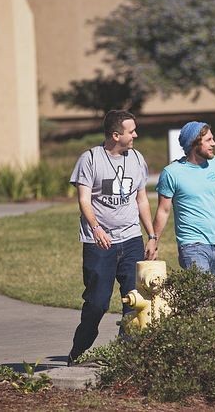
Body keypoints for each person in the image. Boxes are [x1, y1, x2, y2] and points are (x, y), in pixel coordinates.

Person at [67, 110, 156, 365]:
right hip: (99, 243)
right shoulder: (90, 159)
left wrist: (151, 235)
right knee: (97, 303)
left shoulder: (137, 158)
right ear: (116, 135)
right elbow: (84, 199)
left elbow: (141, 199)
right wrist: (96, 229)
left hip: (130, 240)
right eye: (131, 131)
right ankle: (78, 352)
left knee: (134, 300)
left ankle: (123, 355)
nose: (136, 135)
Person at [150, 121, 215, 280]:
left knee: (214, 297)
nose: (214, 144)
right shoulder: (172, 173)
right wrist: (153, 240)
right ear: (194, 143)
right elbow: (163, 210)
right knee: (201, 294)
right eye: (209, 140)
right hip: (191, 245)